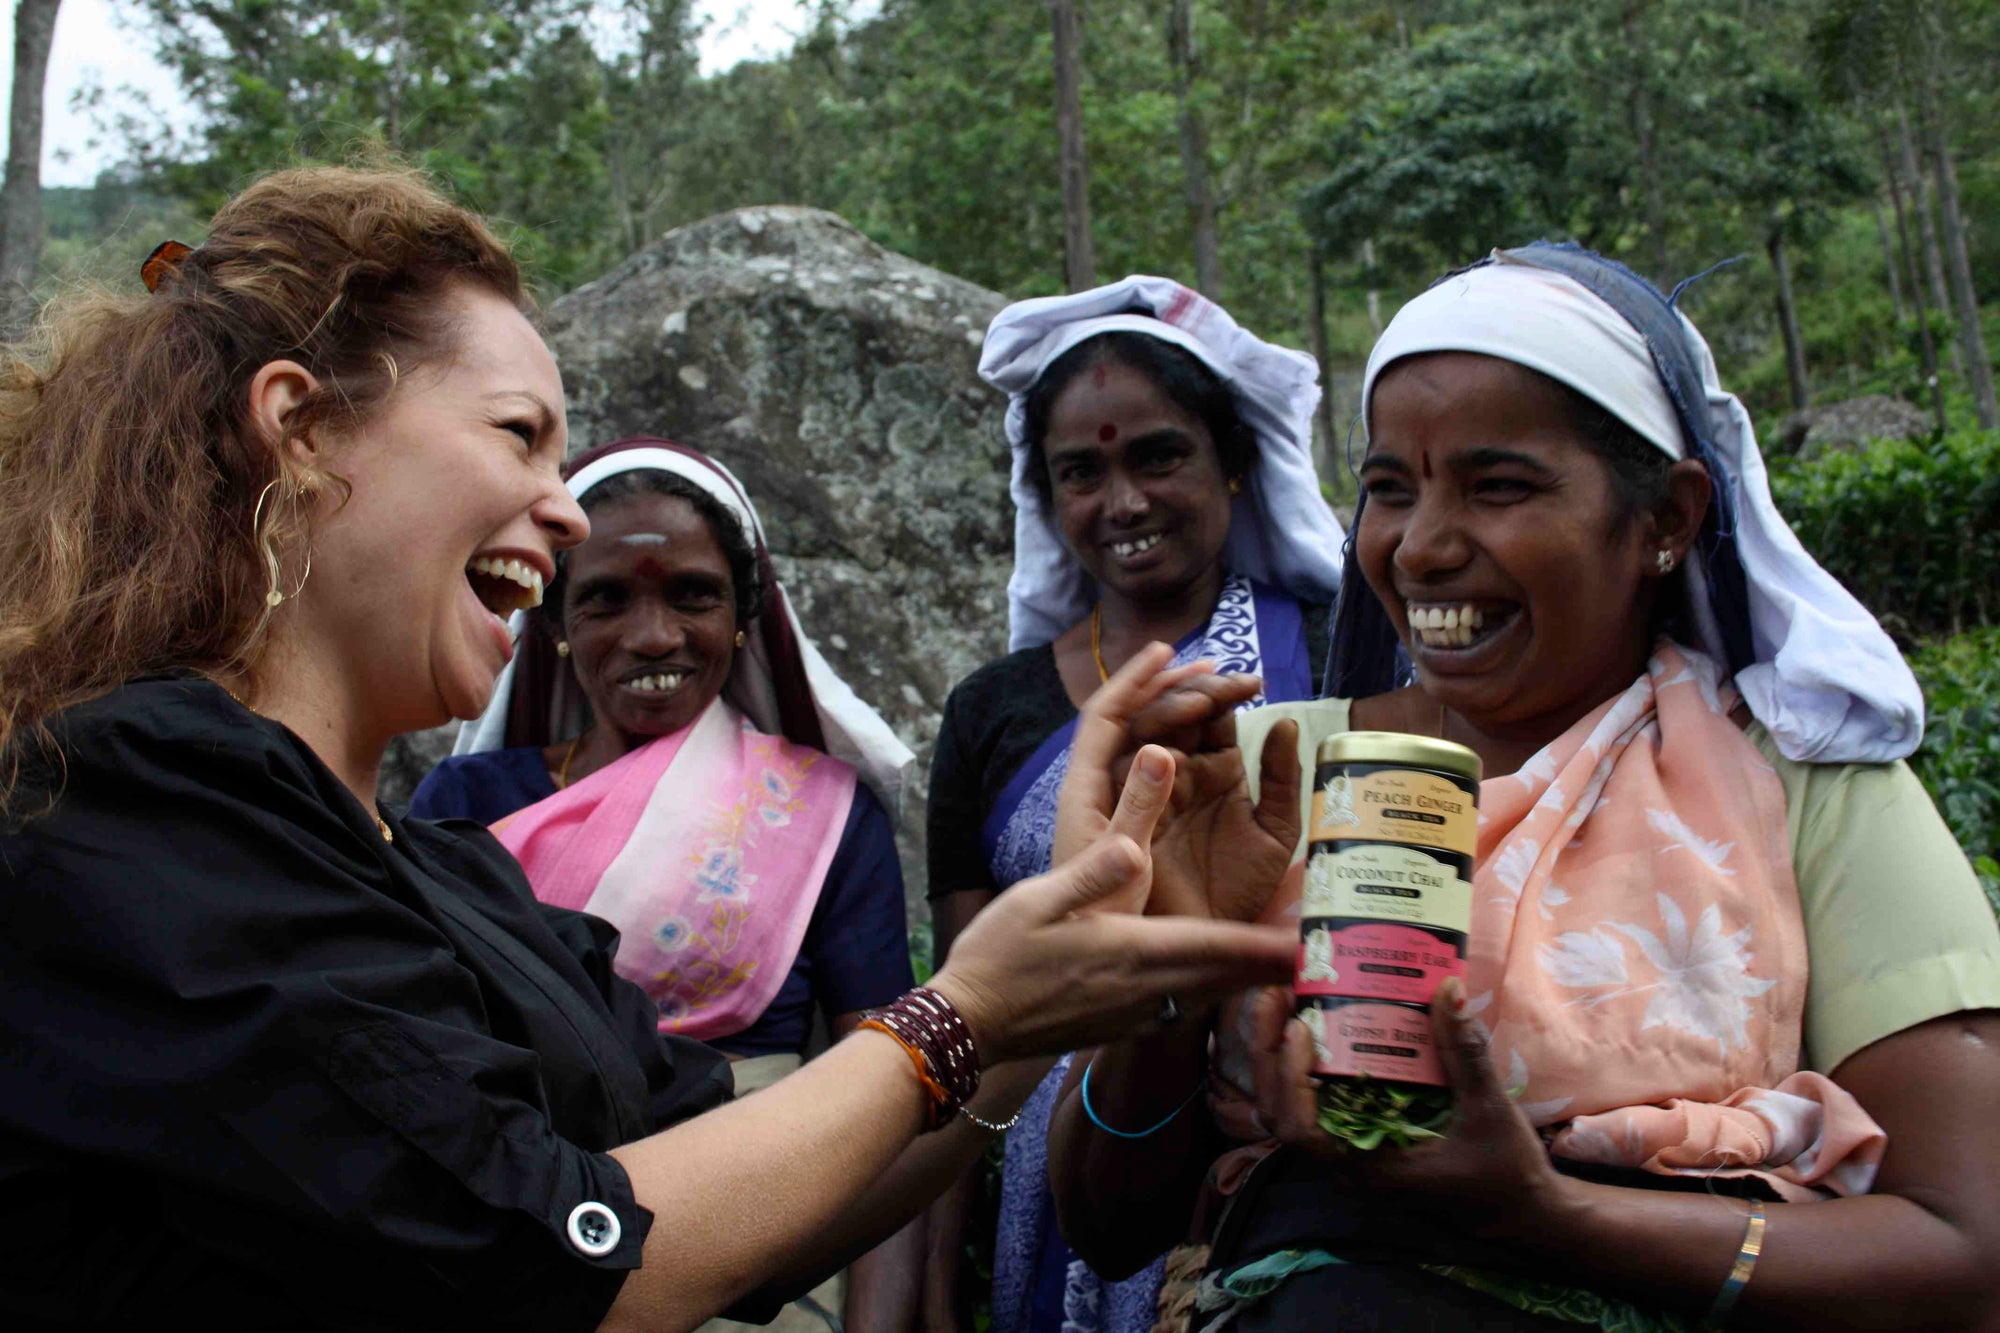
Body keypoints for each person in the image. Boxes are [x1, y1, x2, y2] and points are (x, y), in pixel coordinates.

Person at [0, 164, 1300, 1333]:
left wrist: (1038, 998)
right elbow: (568, 1252)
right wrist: (973, 1005)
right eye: (520, 433)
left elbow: (751, 1185)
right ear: (298, 428)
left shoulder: (456, 879)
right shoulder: (123, 798)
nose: (565, 515)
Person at [1047, 245, 2000, 1330]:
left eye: (1498, 485)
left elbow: (1964, 1251)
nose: (1421, 547)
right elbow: (1110, 1224)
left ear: (1665, 519)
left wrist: (1545, 1213)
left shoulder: (1792, 782)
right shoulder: (1261, 780)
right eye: (1388, 489)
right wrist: (1166, 974)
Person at [409, 437, 924, 1332]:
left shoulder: (824, 816)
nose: (654, 636)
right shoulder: (466, 806)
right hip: (519, 1245)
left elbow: (890, 1093)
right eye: (606, 599)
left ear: (741, 617)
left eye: (693, 593)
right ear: (557, 621)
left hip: (766, 1242)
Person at [926, 278, 1347, 1333]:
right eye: (1081, 471)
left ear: (1234, 464)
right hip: (1065, 1171)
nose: (1121, 502)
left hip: (1304, 1146)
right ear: (1045, 495)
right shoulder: (992, 711)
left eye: (1156, 455)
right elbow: (969, 1006)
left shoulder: (1337, 646)